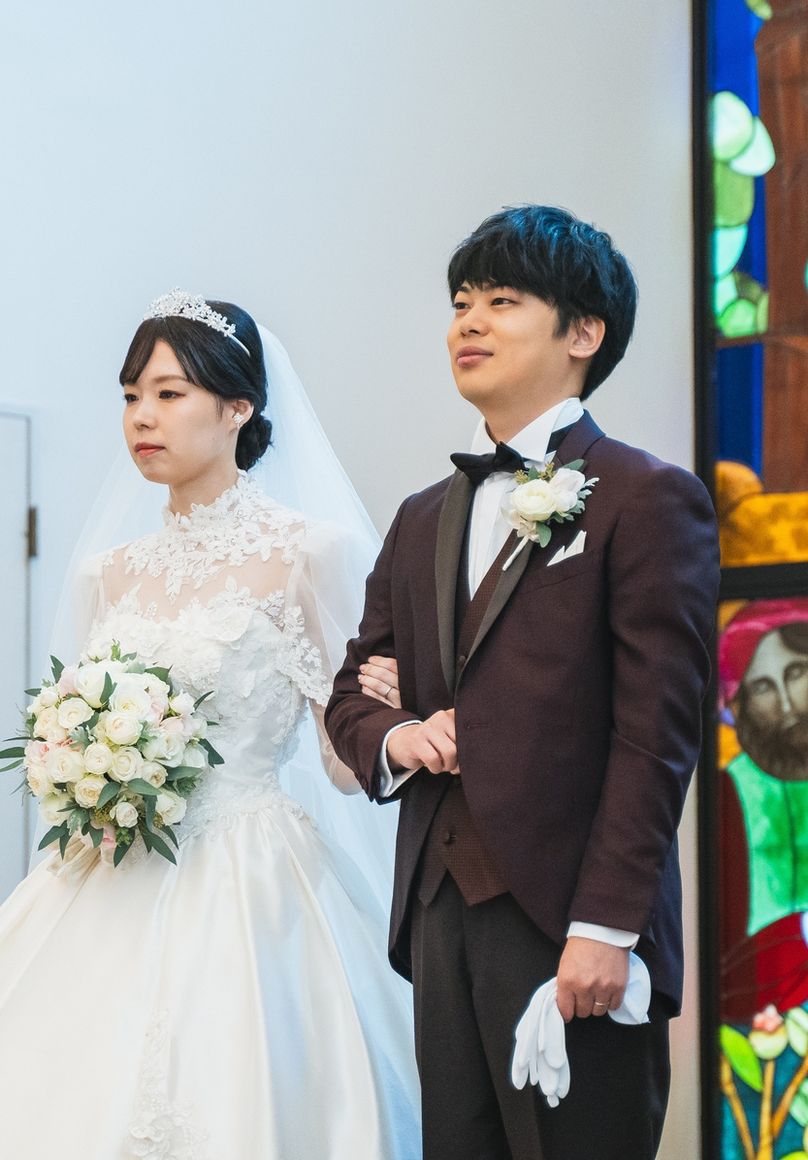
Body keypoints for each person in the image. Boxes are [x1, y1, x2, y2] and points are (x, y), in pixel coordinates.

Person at [0, 291, 421, 1160]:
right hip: (107, 865)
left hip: (248, 873)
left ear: (238, 407)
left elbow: (345, 762)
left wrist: (389, 713)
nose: (142, 417)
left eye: (169, 393)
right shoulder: (106, 574)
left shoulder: (311, 553)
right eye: (130, 396)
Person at [325, 205, 720, 1160]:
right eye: (461, 301)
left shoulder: (645, 498)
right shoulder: (422, 517)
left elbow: (656, 735)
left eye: (502, 301)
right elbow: (350, 695)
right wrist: (398, 733)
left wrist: (606, 926)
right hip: (437, 917)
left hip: (571, 923)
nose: (469, 321)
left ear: (582, 333)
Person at [719, 599, 808, 1021]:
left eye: (796, 673)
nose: (787, 706)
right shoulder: (728, 792)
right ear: (740, 707)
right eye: (762, 687)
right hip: (761, 1008)